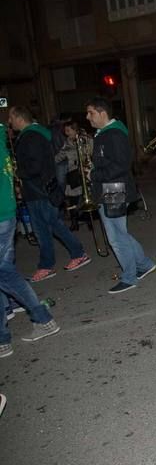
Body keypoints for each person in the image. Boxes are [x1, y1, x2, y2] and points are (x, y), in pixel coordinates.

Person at [8, 106, 91, 283]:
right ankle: (47, 265)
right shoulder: (34, 134)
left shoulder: (32, 136)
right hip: (36, 190)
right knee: (44, 229)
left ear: (19, 118)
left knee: (51, 226)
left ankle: (77, 253)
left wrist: (19, 172)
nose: (10, 122)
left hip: (40, 190)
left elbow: (36, 166)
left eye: (11, 118)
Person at [0, 122, 61, 358]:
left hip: (13, 208)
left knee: (6, 272)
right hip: (8, 211)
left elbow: (35, 166)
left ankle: (39, 318)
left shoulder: (29, 137)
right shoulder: (6, 140)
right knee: (5, 271)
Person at [86, 97, 156, 294]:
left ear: (102, 113)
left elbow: (120, 166)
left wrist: (93, 174)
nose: (87, 117)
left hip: (114, 188)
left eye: (90, 112)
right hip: (111, 188)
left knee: (117, 238)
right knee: (119, 234)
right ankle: (144, 264)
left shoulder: (113, 134)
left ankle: (129, 277)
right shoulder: (106, 133)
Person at [58, 121, 92, 231]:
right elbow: (60, 156)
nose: (66, 133)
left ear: (75, 130)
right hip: (73, 174)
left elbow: (91, 152)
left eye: (68, 130)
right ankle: (74, 221)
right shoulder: (67, 143)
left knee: (86, 197)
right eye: (65, 131)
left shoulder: (85, 139)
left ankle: (89, 220)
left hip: (85, 171)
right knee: (72, 199)